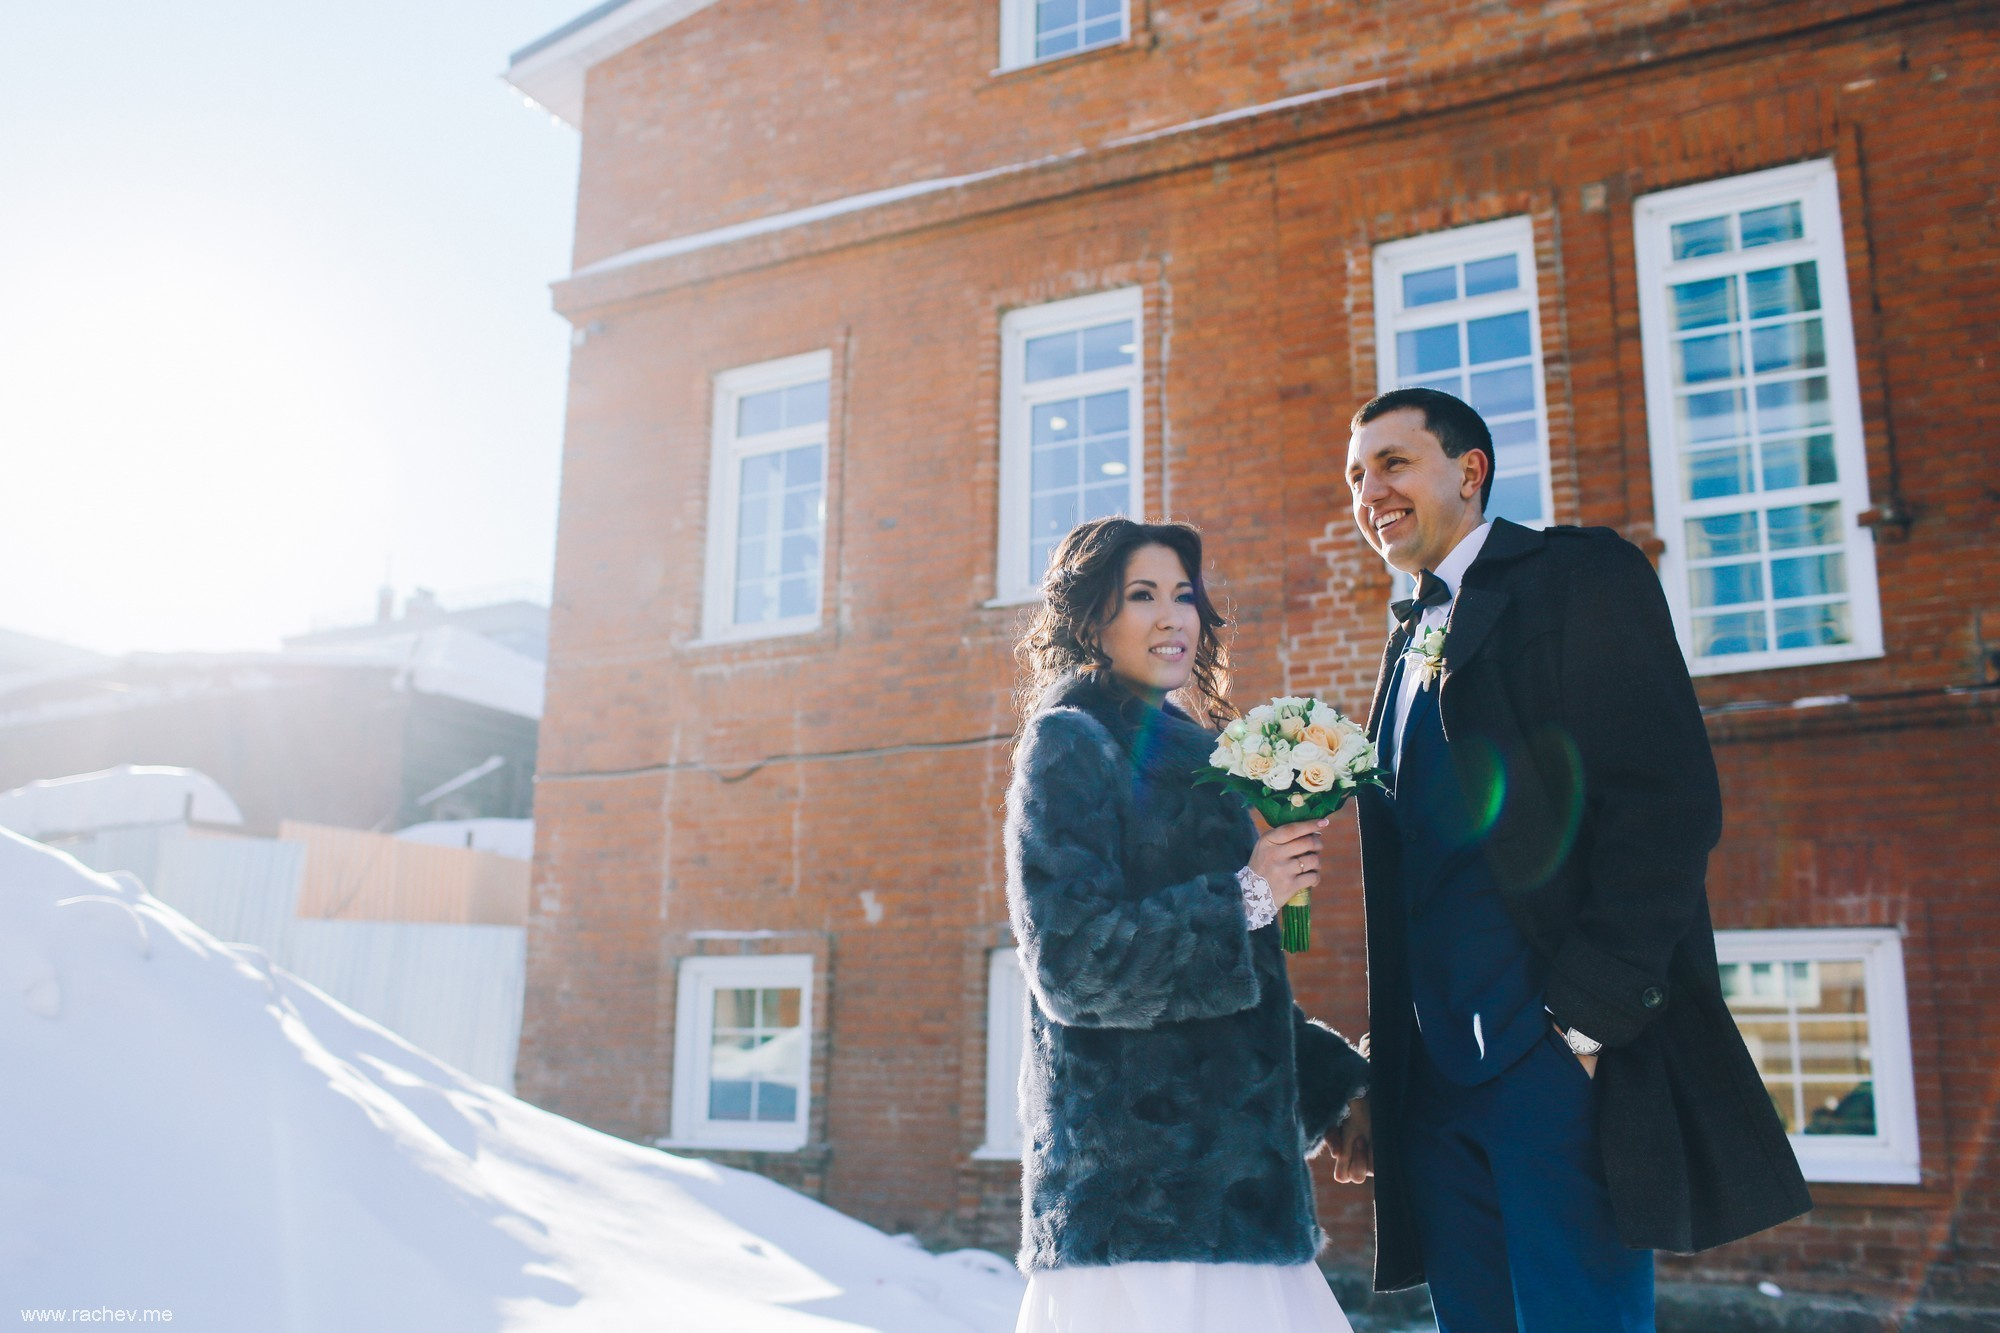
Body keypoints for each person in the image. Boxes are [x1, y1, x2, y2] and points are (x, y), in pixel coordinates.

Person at [1328, 387, 1812, 1330]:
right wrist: (1389, 1058)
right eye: (1355, 476)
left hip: (1550, 1063)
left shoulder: (1577, 578)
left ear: (1469, 472)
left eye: (1392, 463)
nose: (1369, 490)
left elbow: (1664, 807)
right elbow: (1422, 876)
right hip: (1434, 1086)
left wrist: (1584, 1028)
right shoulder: (1402, 644)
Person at [1006, 517, 1370, 1333]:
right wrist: (1245, 893)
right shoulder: (1072, 743)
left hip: (1239, 1197)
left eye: (1185, 595)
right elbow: (1073, 965)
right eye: (1143, 596)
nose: (1173, 616)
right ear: (1093, 619)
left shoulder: (1197, 757)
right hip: (1141, 1207)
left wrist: (1338, 1089)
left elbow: (1230, 1005)